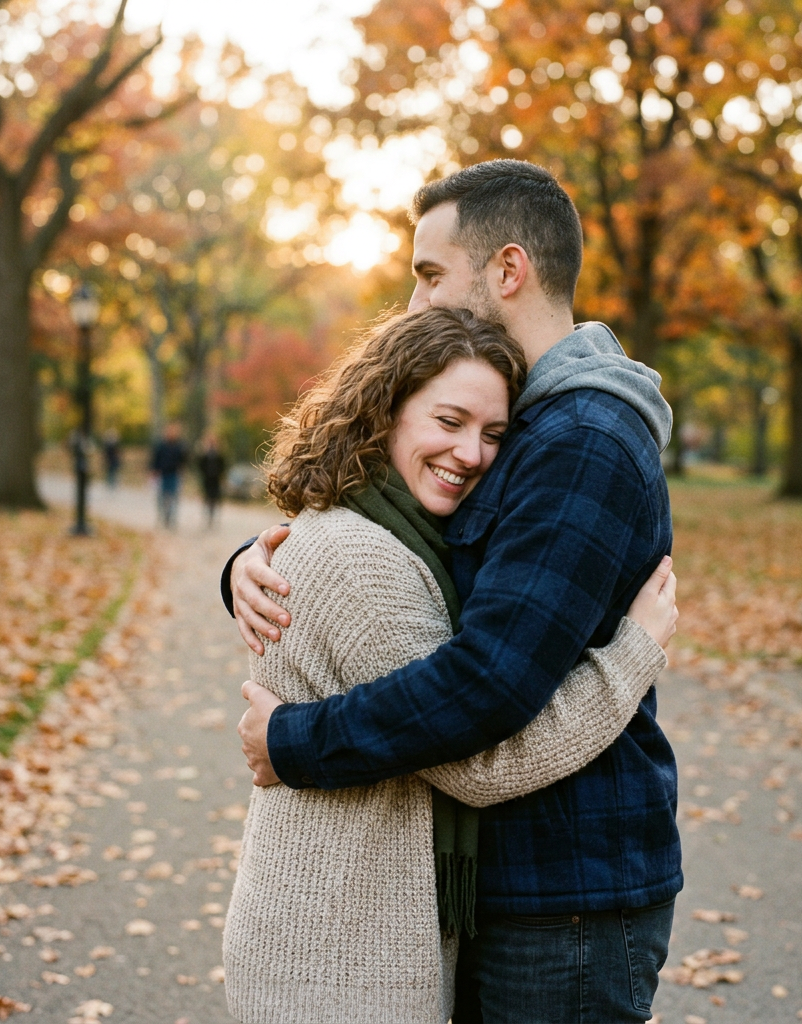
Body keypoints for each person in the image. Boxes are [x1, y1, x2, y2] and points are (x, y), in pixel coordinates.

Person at [227, 160, 680, 1023]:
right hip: (506, 885)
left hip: (568, 888)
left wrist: (293, 742)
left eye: (430, 275)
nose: (415, 305)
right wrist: (255, 561)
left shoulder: (578, 438)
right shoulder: (527, 420)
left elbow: (484, 683)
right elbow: (404, 557)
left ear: (506, 270)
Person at [150, 423, 186, 530]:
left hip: (174, 474)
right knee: (161, 497)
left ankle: (172, 518)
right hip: (163, 474)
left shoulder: (179, 446)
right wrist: (154, 471)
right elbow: (155, 459)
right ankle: (163, 516)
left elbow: (183, 460)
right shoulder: (161, 445)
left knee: (174, 497)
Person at [196, 434, 226, 527]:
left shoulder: (219, 455)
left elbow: (223, 466)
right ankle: (208, 515)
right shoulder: (205, 455)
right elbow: (200, 465)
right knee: (207, 498)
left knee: (215, 498)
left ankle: (212, 516)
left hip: (215, 479)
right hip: (207, 479)